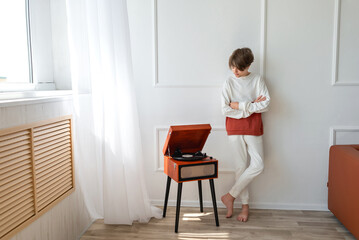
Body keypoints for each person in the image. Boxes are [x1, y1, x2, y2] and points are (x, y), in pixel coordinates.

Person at [220, 47, 270, 222]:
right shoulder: (228, 82)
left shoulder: (257, 80)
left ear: (249, 65)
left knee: (258, 165)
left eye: (239, 68)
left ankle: (230, 196)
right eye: (232, 66)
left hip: (253, 127)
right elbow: (225, 109)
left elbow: (265, 105)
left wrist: (240, 105)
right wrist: (250, 106)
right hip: (234, 128)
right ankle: (244, 206)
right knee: (240, 168)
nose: (235, 71)